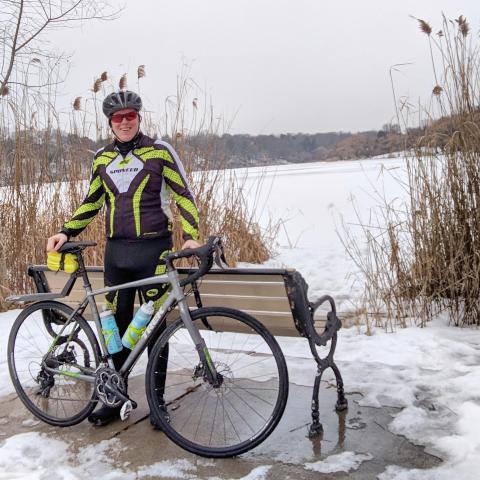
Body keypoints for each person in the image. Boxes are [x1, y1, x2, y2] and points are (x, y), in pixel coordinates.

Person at [47, 90, 201, 426]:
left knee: (153, 330)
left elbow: (184, 195)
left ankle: (157, 404)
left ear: (139, 118)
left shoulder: (160, 152)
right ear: (110, 123)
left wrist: (190, 236)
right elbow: (91, 202)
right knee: (115, 328)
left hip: (154, 251)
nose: (125, 122)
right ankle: (115, 400)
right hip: (117, 253)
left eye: (131, 116)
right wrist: (65, 231)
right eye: (118, 118)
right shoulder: (102, 158)